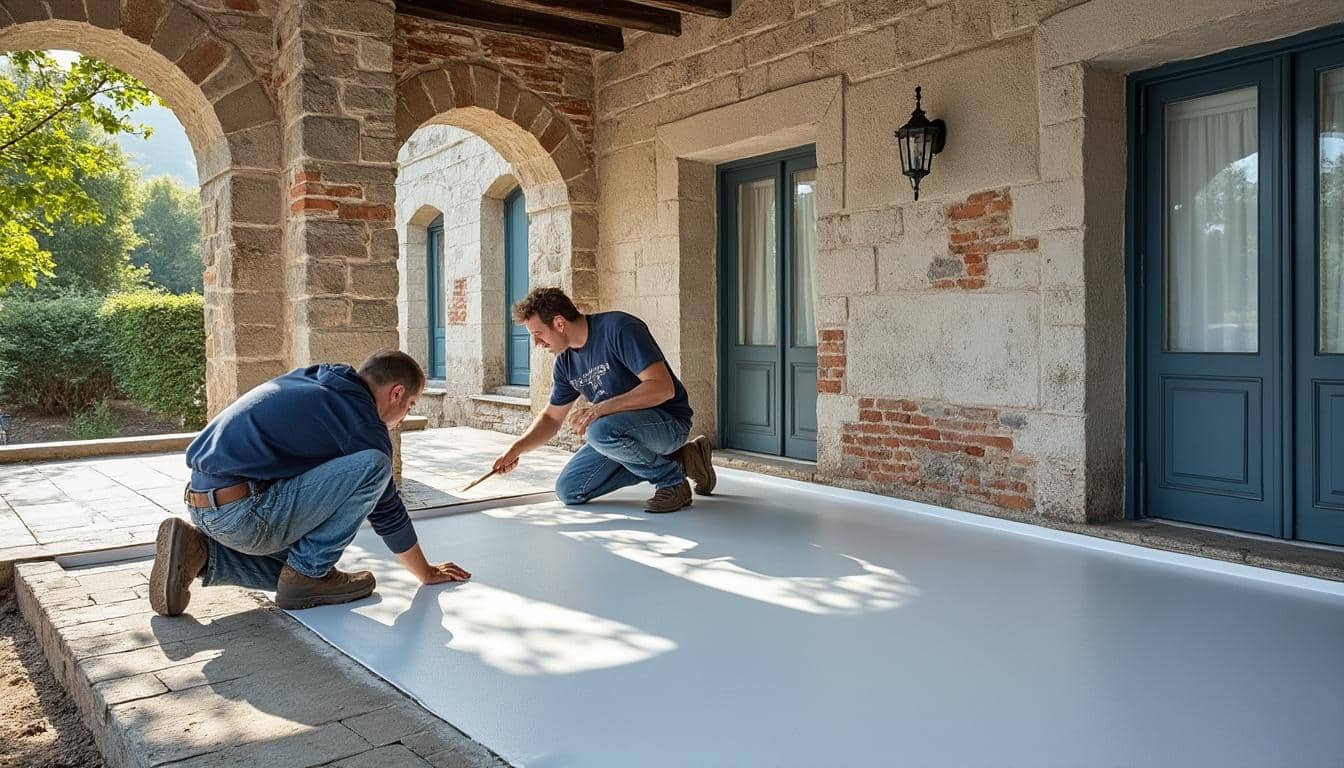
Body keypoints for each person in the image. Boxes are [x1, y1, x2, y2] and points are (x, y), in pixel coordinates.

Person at [150, 350, 471, 616]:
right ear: (397, 392)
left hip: (203, 503)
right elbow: (387, 511)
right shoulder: (362, 423)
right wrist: (426, 572)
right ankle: (310, 574)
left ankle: (199, 552)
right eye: (410, 405)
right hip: (243, 512)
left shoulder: (322, 379)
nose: (404, 415)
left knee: (289, 572)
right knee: (376, 465)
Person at [491, 288, 716, 513]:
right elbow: (551, 417)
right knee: (569, 490)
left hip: (668, 424)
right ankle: (684, 460)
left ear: (559, 323)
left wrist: (600, 409)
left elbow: (663, 388)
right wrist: (516, 449)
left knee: (597, 431)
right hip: (619, 434)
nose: (536, 343)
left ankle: (671, 482)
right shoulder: (565, 363)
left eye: (538, 333)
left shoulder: (619, 329)